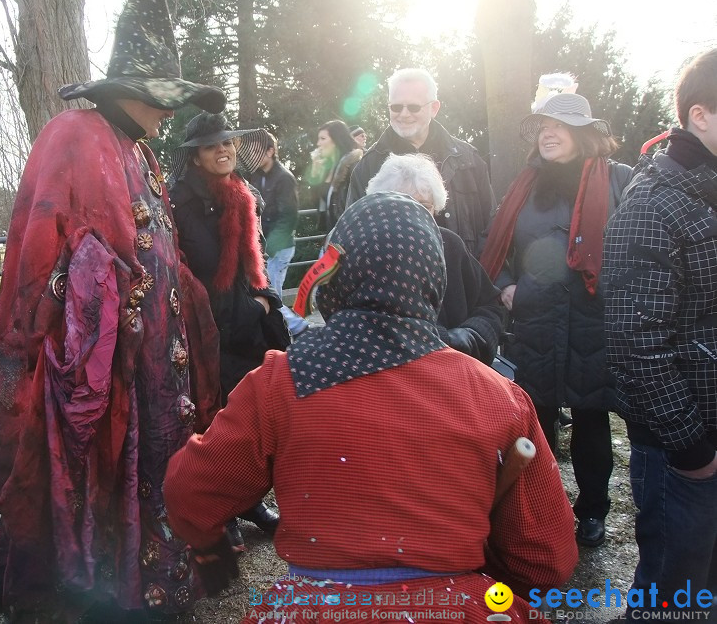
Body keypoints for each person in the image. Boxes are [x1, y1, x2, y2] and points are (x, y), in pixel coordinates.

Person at [163, 192, 577, 623]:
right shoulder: (498, 397)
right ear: (433, 278)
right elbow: (546, 559)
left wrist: (209, 544)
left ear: (335, 274)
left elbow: (191, 494)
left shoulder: (283, 382)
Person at [0, 0, 224, 622]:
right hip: (103, 378)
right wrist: (80, 375)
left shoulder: (139, 149)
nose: (168, 109)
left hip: (152, 379)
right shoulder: (73, 138)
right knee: (102, 493)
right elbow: (45, 269)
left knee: (157, 489)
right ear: (121, 89)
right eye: (157, 93)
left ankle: (150, 596)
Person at [480, 92, 633, 548]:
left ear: (584, 133)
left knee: (591, 420)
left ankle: (592, 511)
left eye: (560, 125)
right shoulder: (525, 184)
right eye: (543, 125)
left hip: (592, 319)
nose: (548, 132)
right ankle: (541, 510)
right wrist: (507, 285)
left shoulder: (617, 179)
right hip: (537, 319)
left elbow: (632, 244)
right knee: (537, 421)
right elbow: (497, 238)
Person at [603, 48, 717, 617]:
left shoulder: (709, 190)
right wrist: (693, 450)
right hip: (681, 449)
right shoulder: (651, 204)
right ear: (700, 115)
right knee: (673, 595)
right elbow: (636, 344)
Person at [170, 112, 289, 548]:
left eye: (227, 143)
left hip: (248, 321)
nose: (222, 151)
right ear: (196, 156)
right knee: (212, 421)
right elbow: (191, 269)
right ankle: (222, 512)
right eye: (210, 146)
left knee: (251, 421)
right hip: (207, 329)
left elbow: (254, 265)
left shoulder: (244, 193)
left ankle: (249, 501)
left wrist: (264, 303)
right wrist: (243, 309)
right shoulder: (179, 202)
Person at [366, 153, 504, 364]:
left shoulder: (450, 244)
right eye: (403, 203)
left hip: (459, 371)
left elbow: (490, 305)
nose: (415, 214)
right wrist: (443, 340)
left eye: (425, 205)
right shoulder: (366, 251)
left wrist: (471, 337)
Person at [346, 68, 493, 256]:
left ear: (434, 108)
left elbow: (491, 228)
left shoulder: (469, 159)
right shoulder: (368, 167)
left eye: (414, 107)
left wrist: (484, 277)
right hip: (398, 280)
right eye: (396, 107)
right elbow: (354, 234)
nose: (404, 114)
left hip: (463, 280)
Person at [245, 131, 309, 336]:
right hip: (265, 247)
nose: (253, 155)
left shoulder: (284, 178)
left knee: (272, 294)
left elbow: (289, 216)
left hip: (279, 247)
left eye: (257, 150)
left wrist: (270, 246)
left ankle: (296, 330)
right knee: (271, 292)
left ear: (270, 151)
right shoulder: (257, 175)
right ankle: (290, 331)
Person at [307, 120, 362, 229]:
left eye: (323, 139)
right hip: (332, 234)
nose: (318, 144)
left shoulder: (353, 166)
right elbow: (316, 202)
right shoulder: (327, 167)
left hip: (348, 234)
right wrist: (315, 173)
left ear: (337, 140)